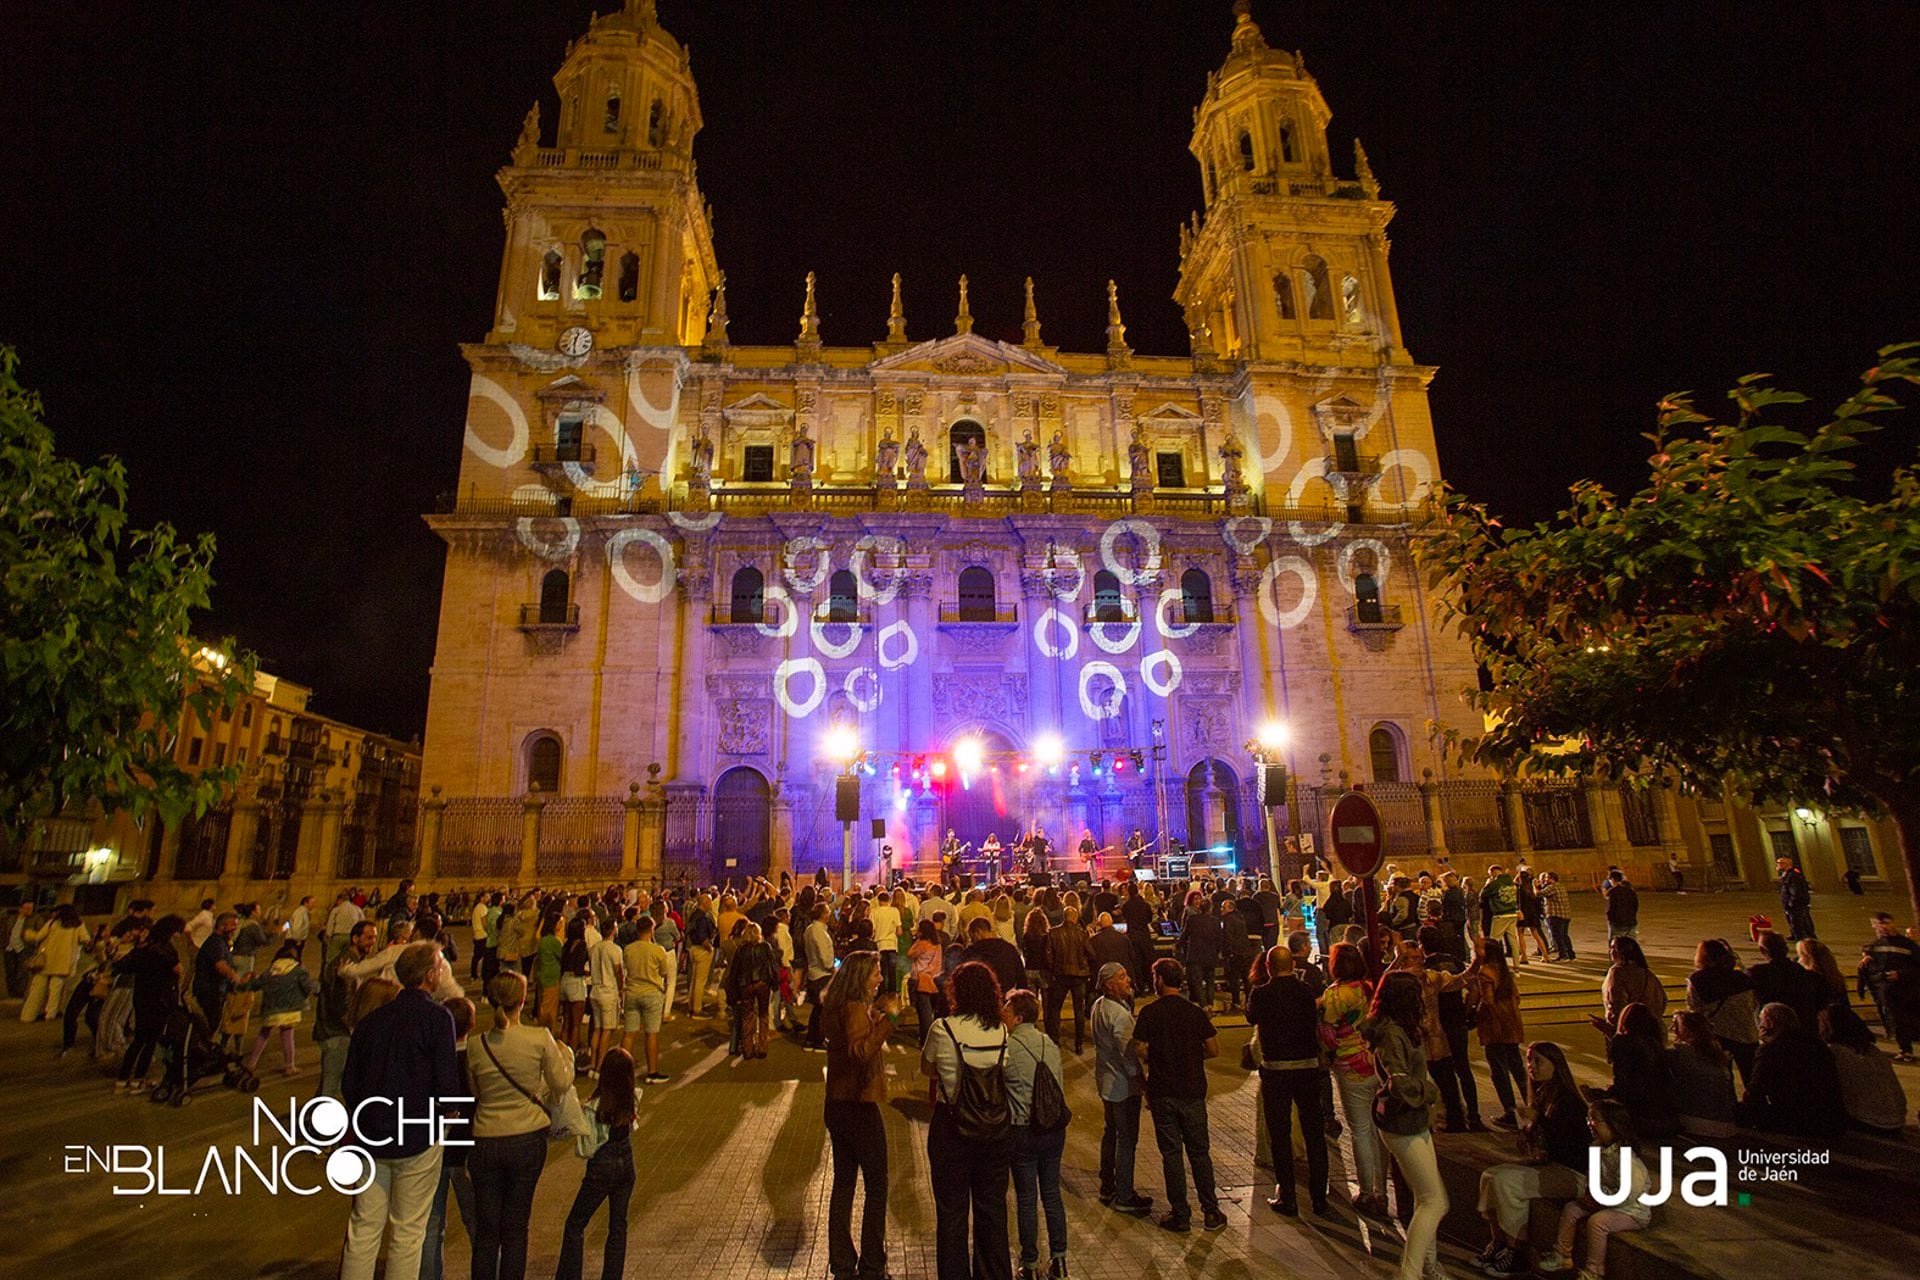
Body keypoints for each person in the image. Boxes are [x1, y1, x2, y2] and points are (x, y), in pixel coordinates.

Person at [339, 942, 462, 1280]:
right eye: (439, 966)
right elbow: (447, 1086)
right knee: (407, 1234)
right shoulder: (438, 1018)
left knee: (363, 1231)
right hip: (417, 1136)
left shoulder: (371, 1022)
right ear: (430, 975)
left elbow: (350, 1084)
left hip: (371, 1134)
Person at [467, 970, 576, 1280]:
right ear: (522, 1000)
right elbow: (562, 1083)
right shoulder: (538, 1038)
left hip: (486, 1137)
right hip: (527, 1138)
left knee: (487, 1231)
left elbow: (476, 1093)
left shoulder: (478, 1045)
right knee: (516, 1227)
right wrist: (565, 1057)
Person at [922, 960, 1015, 1280]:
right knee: (992, 1209)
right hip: (995, 1128)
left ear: (955, 992)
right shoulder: (1001, 1030)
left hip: (951, 1127)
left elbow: (927, 1069)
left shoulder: (942, 1028)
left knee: (951, 1213)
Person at [1472, 1041, 1588, 1279]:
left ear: (1556, 1065)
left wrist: (1539, 1121)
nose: (1531, 1066)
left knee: (1507, 1183)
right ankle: (1499, 1243)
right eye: (1529, 1060)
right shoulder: (1543, 1093)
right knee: (1489, 1177)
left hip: (1573, 1172)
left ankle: (1517, 1253)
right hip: (1550, 1164)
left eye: (1538, 1061)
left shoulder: (1568, 1100)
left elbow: (1566, 1143)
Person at [1129, 957, 1227, 1234]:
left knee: (1171, 1154)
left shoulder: (1150, 1012)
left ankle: (1180, 1213)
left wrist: (1154, 1057)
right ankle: (1210, 1210)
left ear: (1159, 979)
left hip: (1163, 1092)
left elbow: (1139, 1046)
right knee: (1199, 1152)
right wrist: (1193, 1056)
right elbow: (1213, 1049)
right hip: (1193, 1090)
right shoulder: (1194, 1012)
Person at [1361, 971, 1447, 1280]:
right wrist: (1431, 1091)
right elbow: (1399, 1082)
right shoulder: (1392, 1034)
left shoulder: (1397, 1030)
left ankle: (1429, 1265)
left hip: (1414, 1120)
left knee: (1432, 1198)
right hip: (1402, 1123)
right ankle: (1410, 1273)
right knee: (1434, 1201)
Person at [822, 951, 899, 1280]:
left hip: (837, 1103)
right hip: (859, 1104)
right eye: (875, 973)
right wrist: (889, 1021)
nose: (879, 978)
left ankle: (841, 1261)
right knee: (877, 1185)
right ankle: (871, 1263)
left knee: (843, 1184)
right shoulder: (853, 1007)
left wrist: (876, 1010)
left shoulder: (838, 1004)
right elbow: (860, 1050)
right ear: (860, 976)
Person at [1246, 945, 1333, 1217]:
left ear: (1269, 967)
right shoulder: (1306, 991)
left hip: (1276, 1071)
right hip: (1307, 1069)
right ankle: (1320, 1198)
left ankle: (1288, 1195)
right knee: (1314, 1134)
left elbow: (1251, 1017)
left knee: (1280, 1134)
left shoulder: (1261, 994)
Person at [1533, 1101, 1653, 1280]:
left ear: (1614, 1125)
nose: (1590, 1124)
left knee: (1598, 1222)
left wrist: (1600, 1199)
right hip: (1606, 1201)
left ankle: (1594, 1271)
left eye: (1596, 1120)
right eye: (1589, 1119)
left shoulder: (1627, 1159)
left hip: (1631, 1210)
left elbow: (1627, 1194)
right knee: (1571, 1209)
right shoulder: (1597, 1149)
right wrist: (1590, 1193)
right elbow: (1593, 1177)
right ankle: (1562, 1255)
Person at [556, 1047, 640, 1280]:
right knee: (618, 1227)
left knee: (575, 1224)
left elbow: (586, 1148)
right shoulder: (632, 1098)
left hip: (602, 1167)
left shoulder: (595, 1108)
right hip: (626, 1163)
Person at [1320, 942, 1389, 1218]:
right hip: (1374, 1061)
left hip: (1350, 1066)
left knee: (1360, 1130)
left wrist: (1331, 1054)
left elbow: (1328, 1034)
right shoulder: (1370, 988)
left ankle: (1367, 1190)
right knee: (1378, 1131)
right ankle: (1382, 1189)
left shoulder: (1334, 996)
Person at [1004, 988, 1070, 1280]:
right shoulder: (1050, 1044)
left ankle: (1029, 1264)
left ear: (1018, 1016)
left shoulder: (1008, 1048)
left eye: (1006, 1009)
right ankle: (1059, 1261)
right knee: (1052, 1195)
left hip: (1023, 1130)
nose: (1001, 1012)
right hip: (1054, 1129)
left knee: (1027, 1198)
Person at [1089, 961, 1152, 1215]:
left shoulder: (1099, 1007)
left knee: (1111, 1132)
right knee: (1126, 1139)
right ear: (1108, 984)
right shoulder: (1119, 1015)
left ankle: (1108, 1184)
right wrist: (1140, 1079)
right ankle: (1125, 1194)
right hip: (1122, 1086)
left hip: (1106, 1081)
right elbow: (1128, 1053)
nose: (1128, 980)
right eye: (1122, 977)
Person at [1737, 1002, 1847, 1136]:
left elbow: (1756, 1088)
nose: (1759, 1026)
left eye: (1762, 1021)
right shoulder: (1817, 1044)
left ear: (1770, 1023)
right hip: (1830, 1118)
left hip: (1797, 1120)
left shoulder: (1771, 1049)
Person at [115, 915, 185, 1093]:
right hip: (160, 998)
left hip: (141, 996)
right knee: (151, 1040)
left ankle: (122, 1079)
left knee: (138, 1039)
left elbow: (124, 965)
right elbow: (178, 970)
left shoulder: (144, 948)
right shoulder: (167, 949)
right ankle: (138, 1079)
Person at [1587, 1004, 1677, 1140]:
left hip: (1640, 1116)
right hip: (1664, 1113)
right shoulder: (1655, 1043)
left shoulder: (1623, 1043)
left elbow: (1624, 1085)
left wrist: (1602, 1095)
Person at [1819, 1003, 1909, 1134]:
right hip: (1897, 1119)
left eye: (1821, 1023)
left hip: (1868, 1120)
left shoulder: (1835, 1052)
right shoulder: (1873, 1050)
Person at [1472, 937, 1528, 1129]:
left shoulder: (1485, 972)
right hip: (1511, 1022)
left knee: (1499, 1069)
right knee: (1517, 1066)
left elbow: (1487, 1001)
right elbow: (1516, 996)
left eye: (1478, 948)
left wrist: (1476, 1010)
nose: (1474, 949)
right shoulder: (1504, 970)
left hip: (1495, 1027)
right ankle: (1532, 1105)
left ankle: (1509, 1111)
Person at [1686, 938, 1759, 1086]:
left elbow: (1694, 1008)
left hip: (1719, 1034)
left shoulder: (1698, 979)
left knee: (1723, 1079)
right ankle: (1757, 1105)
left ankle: (1728, 1106)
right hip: (1747, 1034)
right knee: (1752, 1079)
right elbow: (1754, 1004)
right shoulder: (1742, 977)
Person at [242, 939, 316, 1077]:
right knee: (287, 1036)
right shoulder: (299, 970)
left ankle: (252, 1063)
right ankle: (289, 1066)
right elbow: (308, 987)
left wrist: (238, 986)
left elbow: (255, 984)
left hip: (271, 1009)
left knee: (264, 1033)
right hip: (290, 1009)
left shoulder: (271, 971)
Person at [1858, 911, 1920, 1061]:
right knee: (1897, 1020)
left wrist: (1901, 974)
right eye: (1879, 924)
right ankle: (1905, 1049)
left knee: (1907, 1019)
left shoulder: (1907, 945)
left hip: (1907, 990)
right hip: (1887, 991)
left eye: (1886, 923)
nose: (1883, 927)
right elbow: (1871, 970)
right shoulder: (1875, 946)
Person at [1666, 1011, 1738, 1138]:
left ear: (1687, 1031)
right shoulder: (1717, 1056)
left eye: (1675, 1025)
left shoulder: (1679, 1053)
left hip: (1694, 1120)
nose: (1671, 1029)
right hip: (1726, 1124)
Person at [619, 914, 672, 1083]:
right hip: (651, 993)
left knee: (628, 1034)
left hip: (632, 992)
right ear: (651, 930)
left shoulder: (628, 949)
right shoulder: (658, 950)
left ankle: (622, 1072)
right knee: (651, 1034)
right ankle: (652, 1072)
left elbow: (626, 966)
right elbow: (664, 972)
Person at [18, 903, 87, 1022]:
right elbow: (85, 939)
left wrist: (28, 934)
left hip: (46, 961)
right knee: (56, 989)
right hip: (64, 963)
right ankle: (50, 1014)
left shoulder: (52, 923)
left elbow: (38, 936)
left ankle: (28, 1016)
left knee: (37, 989)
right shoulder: (78, 925)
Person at [1747, 930, 1827, 1030]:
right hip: (1803, 1027)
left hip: (1773, 1028)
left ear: (1762, 950)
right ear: (1786, 949)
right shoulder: (1802, 972)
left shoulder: (1757, 974)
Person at [1594, 936, 1665, 1033]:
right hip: (1652, 1028)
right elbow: (1662, 1000)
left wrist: (1615, 1027)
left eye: (1614, 948)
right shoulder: (1647, 973)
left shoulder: (1617, 972)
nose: (1611, 951)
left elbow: (1616, 1002)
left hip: (1628, 1030)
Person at [729, 921, 778, 1059]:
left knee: (747, 1016)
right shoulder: (765, 947)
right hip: (762, 983)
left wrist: (733, 990)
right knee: (763, 1014)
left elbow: (735, 971)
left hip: (746, 984)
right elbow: (772, 966)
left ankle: (748, 1048)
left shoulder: (741, 949)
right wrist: (774, 983)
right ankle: (762, 1047)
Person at [192, 910, 241, 1029]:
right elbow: (220, 964)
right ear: (221, 926)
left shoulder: (222, 942)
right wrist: (234, 976)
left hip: (216, 990)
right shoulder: (215, 943)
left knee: (213, 1022)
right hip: (210, 990)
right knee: (210, 1024)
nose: (235, 929)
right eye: (232, 925)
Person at [586, 921, 624, 1074]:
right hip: (608, 991)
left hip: (595, 990)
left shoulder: (594, 949)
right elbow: (618, 971)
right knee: (607, 1030)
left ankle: (593, 1063)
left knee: (597, 1028)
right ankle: (601, 1065)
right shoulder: (614, 949)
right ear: (613, 930)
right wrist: (621, 988)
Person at [1176, 890, 1223, 1011]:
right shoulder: (1215, 921)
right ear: (1210, 908)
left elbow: (1185, 935)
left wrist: (1177, 946)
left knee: (1197, 982)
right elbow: (1219, 939)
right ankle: (1210, 1003)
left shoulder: (1192, 919)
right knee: (1210, 981)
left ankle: (1204, 1005)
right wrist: (1217, 952)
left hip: (1195, 955)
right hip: (1210, 955)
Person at [962, 915, 1027, 1000]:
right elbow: (1021, 977)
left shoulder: (970, 952)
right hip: (1005, 998)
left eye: (971, 936)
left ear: (978, 933)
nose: (971, 940)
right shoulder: (1008, 948)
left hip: (981, 1001)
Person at [803, 903, 838, 1050]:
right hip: (822, 975)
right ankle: (819, 1040)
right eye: (828, 912)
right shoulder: (820, 933)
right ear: (823, 915)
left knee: (817, 1009)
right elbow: (825, 958)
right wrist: (833, 968)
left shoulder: (810, 930)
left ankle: (811, 1038)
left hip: (813, 973)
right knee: (823, 1011)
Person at [1480, 865, 1522, 965]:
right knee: (1513, 941)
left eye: (1490, 875)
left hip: (1500, 914)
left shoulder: (1495, 884)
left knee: (1493, 941)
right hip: (1512, 914)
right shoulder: (1511, 883)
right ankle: (1517, 967)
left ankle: (1492, 964)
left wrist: (1488, 884)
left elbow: (1482, 895)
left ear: (1493, 872)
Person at [1776, 856, 1816, 941]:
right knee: (1795, 920)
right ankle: (1796, 935)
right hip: (1791, 903)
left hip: (1797, 904)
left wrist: (1792, 903)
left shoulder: (1793, 875)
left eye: (1779, 863)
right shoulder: (1787, 874)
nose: (1777, 865)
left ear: (1786, 864)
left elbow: (1796, 891)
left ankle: (1802, 939)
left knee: (1798, 922)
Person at [1539, 871, 1575, 961]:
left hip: (1556, 915)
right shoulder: (1560, 886)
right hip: (1565, 914)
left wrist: (1534, 886)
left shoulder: (1552, 887)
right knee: (1564, 935)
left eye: (1546, 878)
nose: (1545, 880)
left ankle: (1563, 955)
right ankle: (1571, 954)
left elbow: (1538, 894)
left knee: (1557, 936)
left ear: (1552, 879)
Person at [1602, 869, 1640, 942]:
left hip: (1617, 923)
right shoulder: (1631, 891)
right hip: (1631, 922)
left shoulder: (1612, 892)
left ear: (1612, 879)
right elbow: (1635, 905)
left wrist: (1610, 919)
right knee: (1631, 943)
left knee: (1616, 943)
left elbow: (1610, 908)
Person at [288, 895, 314, 963]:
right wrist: (298, 939)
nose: (313, 905)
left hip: (297, 940)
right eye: (312, 903)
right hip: (294, 941)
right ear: (306, 903)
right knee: (293, 961)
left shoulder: (304, 912)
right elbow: (296, 927)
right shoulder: (300, 912)